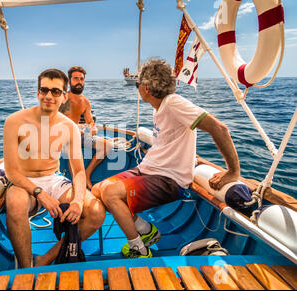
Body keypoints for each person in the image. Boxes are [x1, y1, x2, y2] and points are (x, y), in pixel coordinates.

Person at [92, 58, 240, 258]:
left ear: (145, 88)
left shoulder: (173, 103)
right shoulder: (160, 107)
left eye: (137, 84)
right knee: (97, 189)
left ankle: (138, 248)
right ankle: (145, 230)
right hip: (149, 169)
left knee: (110, 193)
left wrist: (233, 172)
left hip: (169, 179)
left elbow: (219, 128)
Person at [3, 68, 106, 268]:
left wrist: (77, 201)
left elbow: (77, 171)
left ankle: (45, 259)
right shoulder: (14, 121)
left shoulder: (69, 127)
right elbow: (11, 172)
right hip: (24, 181)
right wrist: (40, 194)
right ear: (37, 93)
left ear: (64, 96)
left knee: (96, 211)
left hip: (53, 178)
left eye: (56, 92)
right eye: (44, 90)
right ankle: (26, 270)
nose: (49, 96)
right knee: (15, 204)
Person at [59, 66, 113, 189]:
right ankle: (75, 184)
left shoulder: (85, 102)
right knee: (73, 146)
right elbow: (53, 120)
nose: (79, 82)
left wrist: (93, 128)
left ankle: (87, 174)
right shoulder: (62, 99)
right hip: (63, 137)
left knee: (107, 146)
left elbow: (90, 122)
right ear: (69, 80)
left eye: (81, 79)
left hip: (80, 135)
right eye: (76, 78)